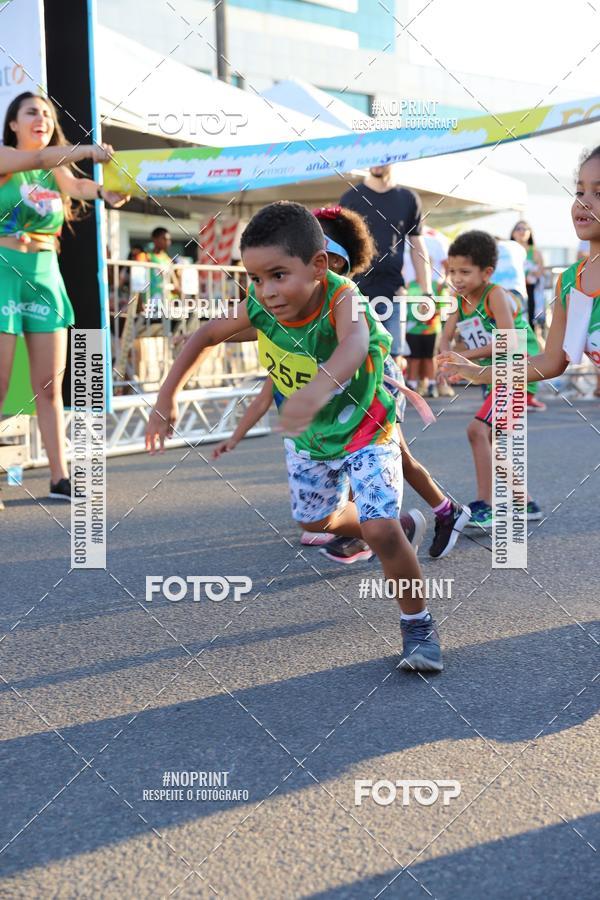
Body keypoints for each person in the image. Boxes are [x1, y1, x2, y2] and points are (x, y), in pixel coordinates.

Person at [146, 200, 444, 672]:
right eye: (256, 278)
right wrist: (166, 398)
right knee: (314, 521)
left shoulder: (342, 296)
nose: (266, 290)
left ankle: (419, 628)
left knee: (378, 527)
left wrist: (317, 390)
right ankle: (397, 526)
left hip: (368, 426)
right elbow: (203, 336)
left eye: (279, 275)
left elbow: (355, 343)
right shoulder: (263, 308)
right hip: (310, 438)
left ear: (319, 266)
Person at [212, 205, 471, 563]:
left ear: (330, 262)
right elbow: (255, 328)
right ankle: (419, 515)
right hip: (324, 393)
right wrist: (212, 334)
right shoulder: (290, 305)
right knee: (379, 454)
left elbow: (354, 346)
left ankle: (411, 519)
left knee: (376, 452)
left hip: (371, 382)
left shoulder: (342, 301)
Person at [0, 91, 128, 501]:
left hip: (44, 274)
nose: (40, 118)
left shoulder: (55, 166)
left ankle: (59, 477)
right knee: (0, 383)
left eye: (46, 114)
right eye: (30, 113)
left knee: (49, 386)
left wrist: (105, 192)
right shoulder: (6, 157)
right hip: (4, 271)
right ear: (14, 123)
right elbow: (39, 159)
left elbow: (75, 184)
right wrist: (89, 148)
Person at [439, 146, 600, 398]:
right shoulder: (569, 281)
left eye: (599, 193)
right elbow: (550, 361)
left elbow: (511, 342)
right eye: (579, 191)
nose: (583, 202)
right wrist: (478, 372)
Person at [438, 230, 542, 529]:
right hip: (493, 377)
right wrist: (446, 359)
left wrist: (466, 357)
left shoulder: (494, 294)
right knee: (488, 441)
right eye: (452, 271)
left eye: (464, 272)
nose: (456, 279)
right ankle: (525, 502)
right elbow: (445, 337)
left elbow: (509, 341)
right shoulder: (458, 300)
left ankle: (487, 505)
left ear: (487, 272)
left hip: (519, 373)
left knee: (476, 431)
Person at [339, 164, 433, 365]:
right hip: (357, 291)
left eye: (385, 158)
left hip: (394, 290)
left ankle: (392, 398)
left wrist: (427, 292)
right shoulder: (350, 198)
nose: (378, 163)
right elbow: (341, 248)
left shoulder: (408, 198)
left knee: (394, 358)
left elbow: (417, 246)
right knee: (358, 357)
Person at [493, 236, 546, 410]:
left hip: (509, 297)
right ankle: (514, 396)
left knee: (518, 346)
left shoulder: (520, 250)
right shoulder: (516, 249)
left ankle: (518, 396)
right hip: (512, 296)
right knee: (517, 347)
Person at [402, 226, 452, 398]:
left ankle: (432, 384)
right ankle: (413, 384)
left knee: (431, 356)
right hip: (412, 328)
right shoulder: (410, 286)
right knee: (414, 357)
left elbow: (441, 305)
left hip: (431, 328)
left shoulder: (436, 287)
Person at [510, 221, 545, 331]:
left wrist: (529, 274)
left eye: (525, 229)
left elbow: (540, 272)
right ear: (513, 233)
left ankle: (528, 346)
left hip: (530, 291)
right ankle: (509, 347)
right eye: (518, 229)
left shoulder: (535, 252)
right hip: (510, 291)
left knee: (529, 321)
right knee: (509, 320)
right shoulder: (508, 250)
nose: (522, 231)